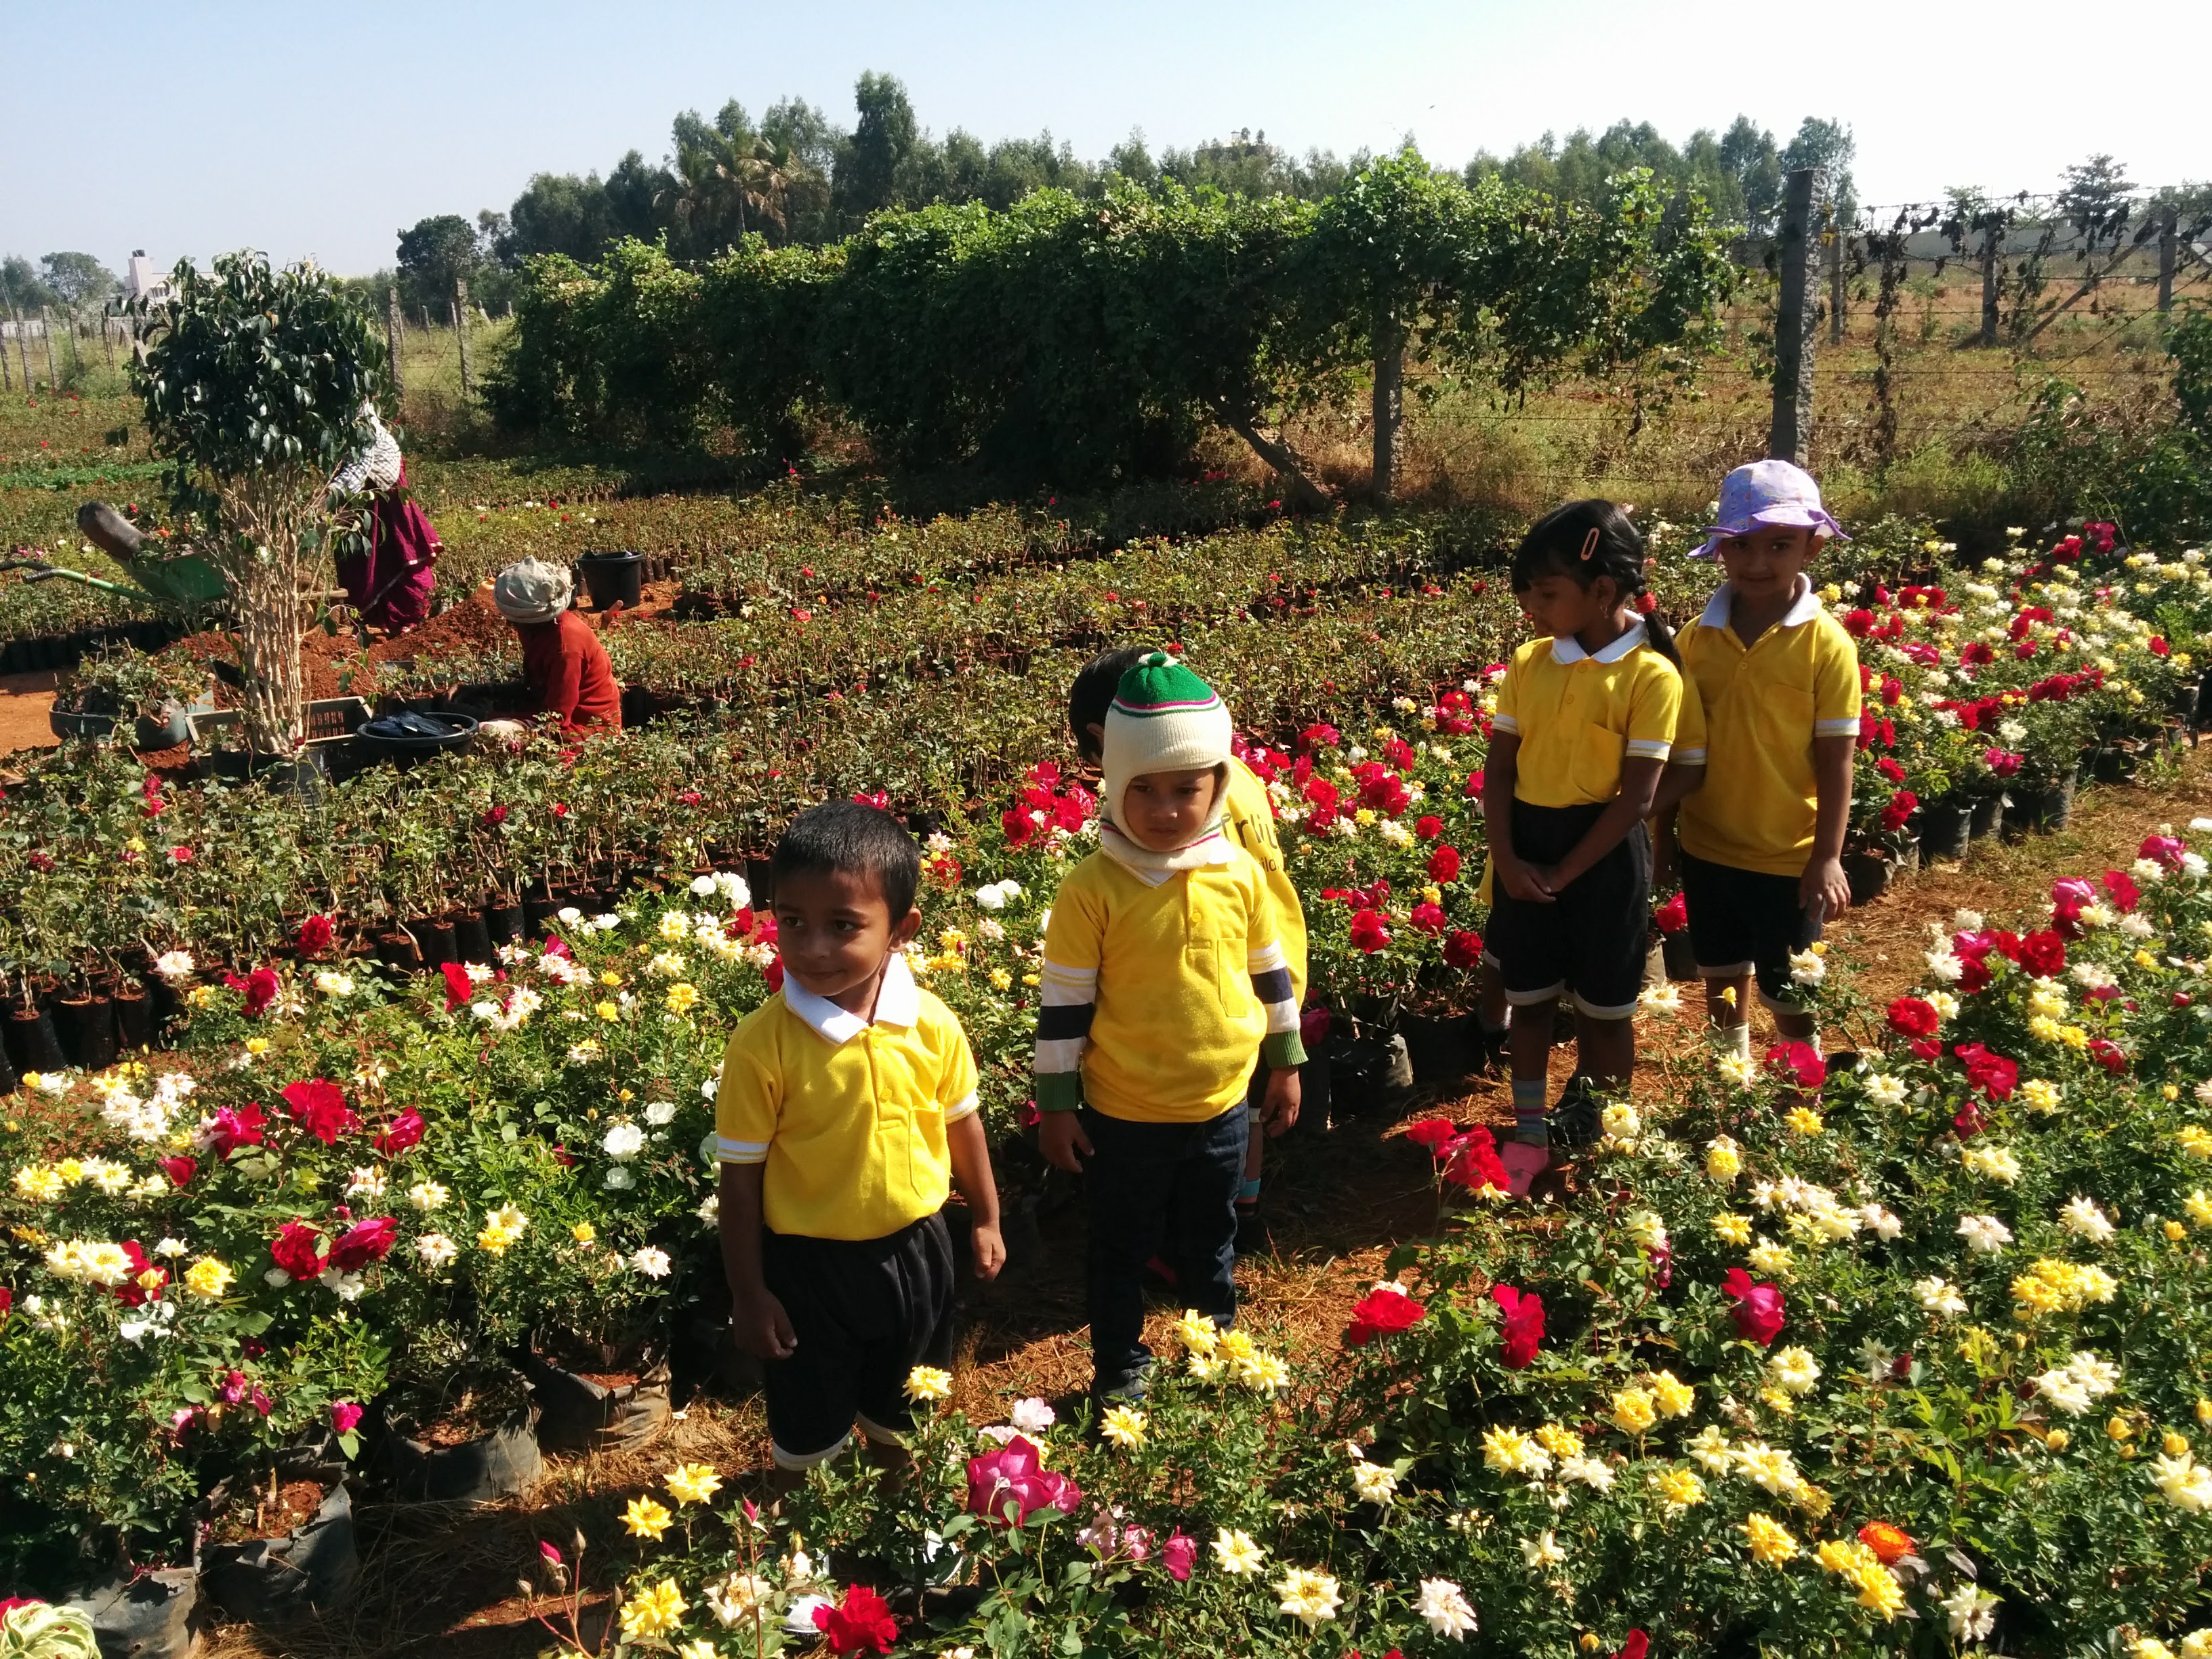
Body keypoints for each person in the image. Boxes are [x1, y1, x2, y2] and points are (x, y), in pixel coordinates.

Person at [1036, 652, 1305, 1404]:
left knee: (1209, 1239)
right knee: (1119, 1248)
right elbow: (1064, 1006)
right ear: (1112, 786)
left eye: (1186, 788)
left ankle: (1211, 1340)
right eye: (1142, 790)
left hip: (1221, 1102)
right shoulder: (1094, 888)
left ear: (1218, 784)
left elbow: (1270, 974)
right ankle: (1120, 1365)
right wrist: (1057, 1106)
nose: (1165, 809)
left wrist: (1284, 1064)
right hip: (1127, 1112)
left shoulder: (1238, 873)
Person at [716, 800, 1005, 1481]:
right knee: (807, 1426)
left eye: (843, 926)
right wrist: (750, 1294)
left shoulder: (932, 1024)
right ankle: (798, 1552)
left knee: (906, 1411)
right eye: (793, 922)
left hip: (918, 1250)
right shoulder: (764, 1045)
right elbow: (740, 1180)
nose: (812, 947)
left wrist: (987, 1217)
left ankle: (904, 1525)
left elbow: (962, 1124)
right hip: (809, 1269)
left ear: (901, 930)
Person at [1481, 501, 1701, 1169]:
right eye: (1527, 596)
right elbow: (1497, 776)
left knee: (1607, 1013)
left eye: (1547, 595)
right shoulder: (1529, 663)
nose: (1533, 611)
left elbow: (1636, 798)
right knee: (1532, 1002)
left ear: (1602, 591)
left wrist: (1563, 873)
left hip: (1603, 863)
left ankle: (1606, 1131)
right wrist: (1510, 860)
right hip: (1529, 850)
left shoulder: (1651, 675)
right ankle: (1529, 1133)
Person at [1067, 647, 1307, 1250]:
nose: (1162, 806)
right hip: (1273, 954)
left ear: (1107, 740)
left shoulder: (1189, 829)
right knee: (1241, 1099)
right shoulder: (1230, 774)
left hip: (1233, 974)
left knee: (1229, 1103)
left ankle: (1225, 1212)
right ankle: (1237, 1204)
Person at [1672, 459, 1860, 1061]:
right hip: (1706, 844)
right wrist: (1658, 836)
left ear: (1812, 546)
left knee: (1790, 987)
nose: (1757, 563)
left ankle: (1802, 1078)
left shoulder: (1826, 645)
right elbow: (1669, 750)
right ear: (1721, 550)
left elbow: (1836, 760)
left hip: (1789, 855)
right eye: (1741, 545)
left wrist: (1827, 856)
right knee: (1721, 971)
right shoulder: (1694, 640)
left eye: (1779, 545)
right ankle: (1731, 1075)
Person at [327, 405, 438, 634]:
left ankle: (403, 616)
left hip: (383, 491)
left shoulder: (362, 422)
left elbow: (359, 467)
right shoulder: (335, 418)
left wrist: (327, 499)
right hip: (364, 492)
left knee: (393, 553)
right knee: (359, 560)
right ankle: (372, 618)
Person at [485, 558, 622, 736]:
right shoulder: (540, 630)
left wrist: (492, 718)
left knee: (485, 734)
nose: (510, 624)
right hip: (558, 716)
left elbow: (556, 719)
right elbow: (534, 685)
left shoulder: (566, 648)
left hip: (586, 733)